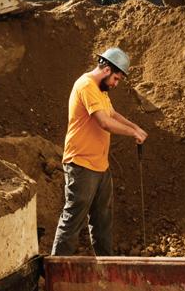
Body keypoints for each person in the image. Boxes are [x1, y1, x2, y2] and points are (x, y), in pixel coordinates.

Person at [50, 47, 147, 256]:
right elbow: (104, 122)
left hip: (100, 166)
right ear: (107, 69)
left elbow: (112, 114)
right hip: (81, 163)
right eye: (116, 78)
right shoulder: (86, 85)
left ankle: (106, 264)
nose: (115, 84)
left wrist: (135, 127)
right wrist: (132, 133)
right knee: (74, 217)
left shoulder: (100, 91)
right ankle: (57, 267)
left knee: (102, 219)